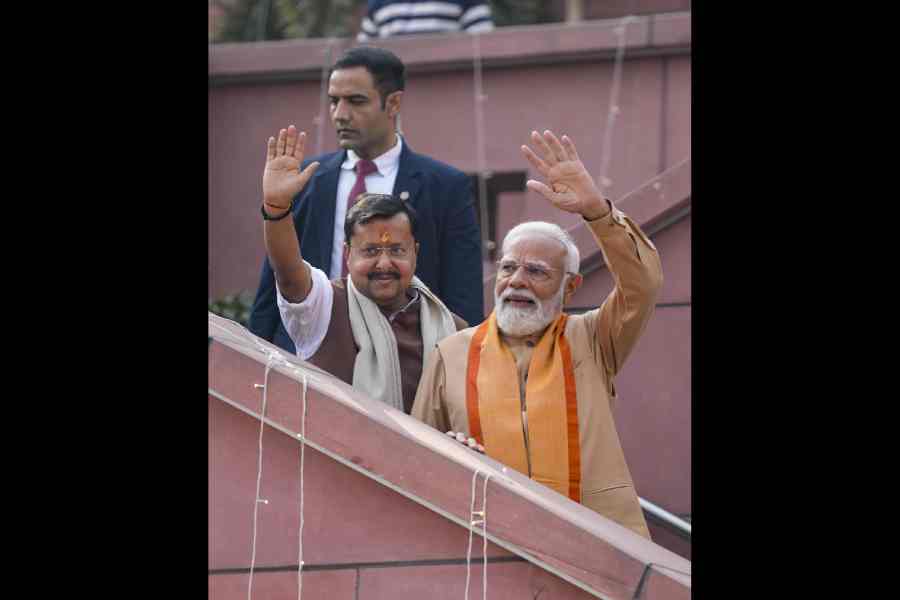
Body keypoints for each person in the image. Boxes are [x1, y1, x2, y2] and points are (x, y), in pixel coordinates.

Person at [411, 130, 663, 539]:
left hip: (599, 545)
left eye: (537, 272)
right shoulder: (451, 352)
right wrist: (449, 451)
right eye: (509, 267)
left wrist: (597, 211)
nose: (516, 282)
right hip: (488, 548)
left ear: (570, 288)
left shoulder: (593, 338)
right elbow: (418, 455)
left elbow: (643, 285)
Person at [248, 45, 484, 354]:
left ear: (393, 103)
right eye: (334, 101)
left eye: (356, 101)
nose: (340, 114)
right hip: (308, 359)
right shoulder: (305, 179)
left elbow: (463, 296)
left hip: (407, 363)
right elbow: (275, 282)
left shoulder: (445, 186)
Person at [260, 123, 468, 413]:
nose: (384, 264)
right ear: (347, 254)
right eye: (370, 251)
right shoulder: (324, 307)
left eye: (396, 250)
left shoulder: (451, 328)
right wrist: (277, 207)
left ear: (415, 252)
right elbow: (288, 273)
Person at [357, 0, 494, 41]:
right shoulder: (377, 3)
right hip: (392, 95)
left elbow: (484, 46)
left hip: (453, 91)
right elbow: (363, 55)